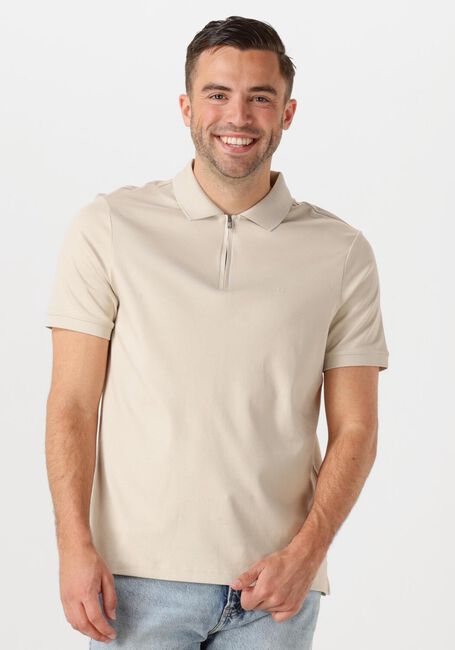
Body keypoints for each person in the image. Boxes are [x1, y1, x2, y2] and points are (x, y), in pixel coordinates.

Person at [44, 15, 389, 649]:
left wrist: (307, 555)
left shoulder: (341, 252)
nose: (238, 116)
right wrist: (73, 546)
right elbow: (71, 404)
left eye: (260, 97)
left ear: (287, 113)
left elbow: (357, 429)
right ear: (186, 107)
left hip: (276, 590)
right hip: (134, 583)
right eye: (218, 94)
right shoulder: (110, 227)